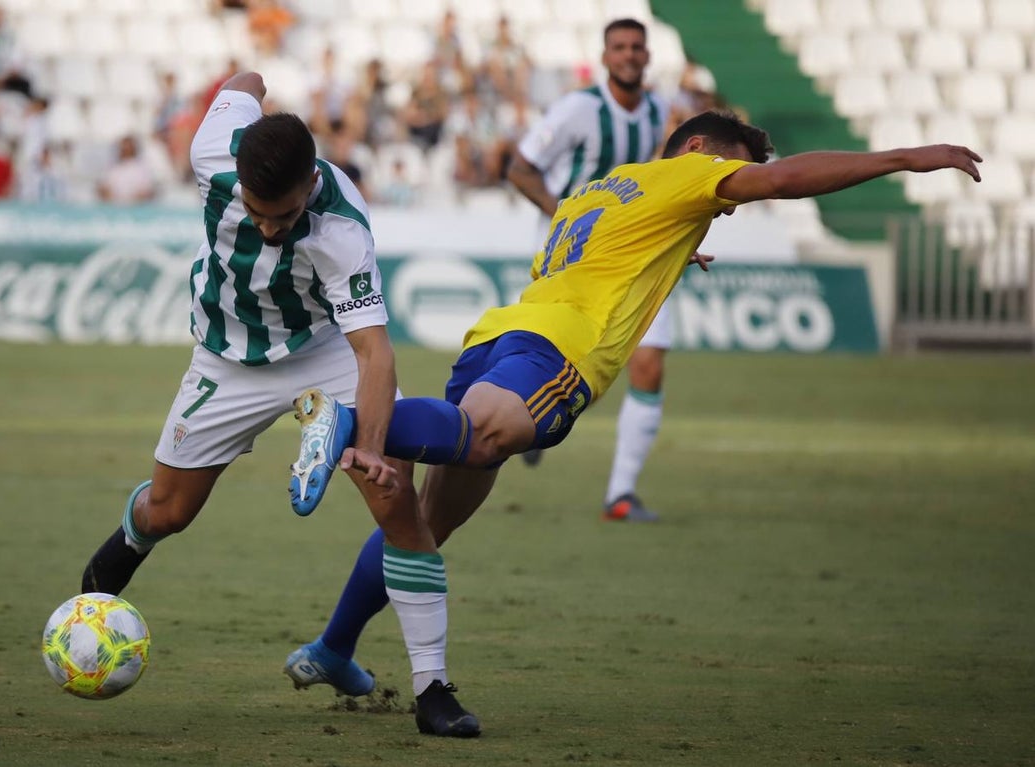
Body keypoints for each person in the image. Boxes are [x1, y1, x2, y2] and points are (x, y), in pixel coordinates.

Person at [283, 110, 982, 728]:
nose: (730, 196)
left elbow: (611, 253)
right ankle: (345, 421)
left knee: (425, 526)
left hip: (496, 338)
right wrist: (904, 158)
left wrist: (679, 246)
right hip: (558, 348)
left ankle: (335, 646)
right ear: (701, 149)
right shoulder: (684, 176)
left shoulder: (604, 188)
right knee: (488, 436)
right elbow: (783, 181)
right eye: (728, 173)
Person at [77, 70, 474, 738]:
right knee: (170, 511)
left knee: (395, 499)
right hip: (224, 358)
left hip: (325, 356)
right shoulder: (214, 148)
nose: (266, 228)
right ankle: (118, 558)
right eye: (256, 212)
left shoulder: (342, 229)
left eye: (283, 216)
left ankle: (432, 687)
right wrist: (258, 85)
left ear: (311, 182)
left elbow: (376, 354)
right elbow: (245, 79)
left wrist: (371, 451)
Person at [505, 18, 672, 522]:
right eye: (618, 47)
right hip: (574, 259)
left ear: (647, 56)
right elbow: (520, 167)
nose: (628, 55)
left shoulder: (657, 111)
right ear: (604, 57)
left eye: (636, 47)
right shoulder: (580, 109)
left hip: (635, 255)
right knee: (564, 361)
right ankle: (530, 419)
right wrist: (566, 216)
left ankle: (620, 495)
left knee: (648, 364)